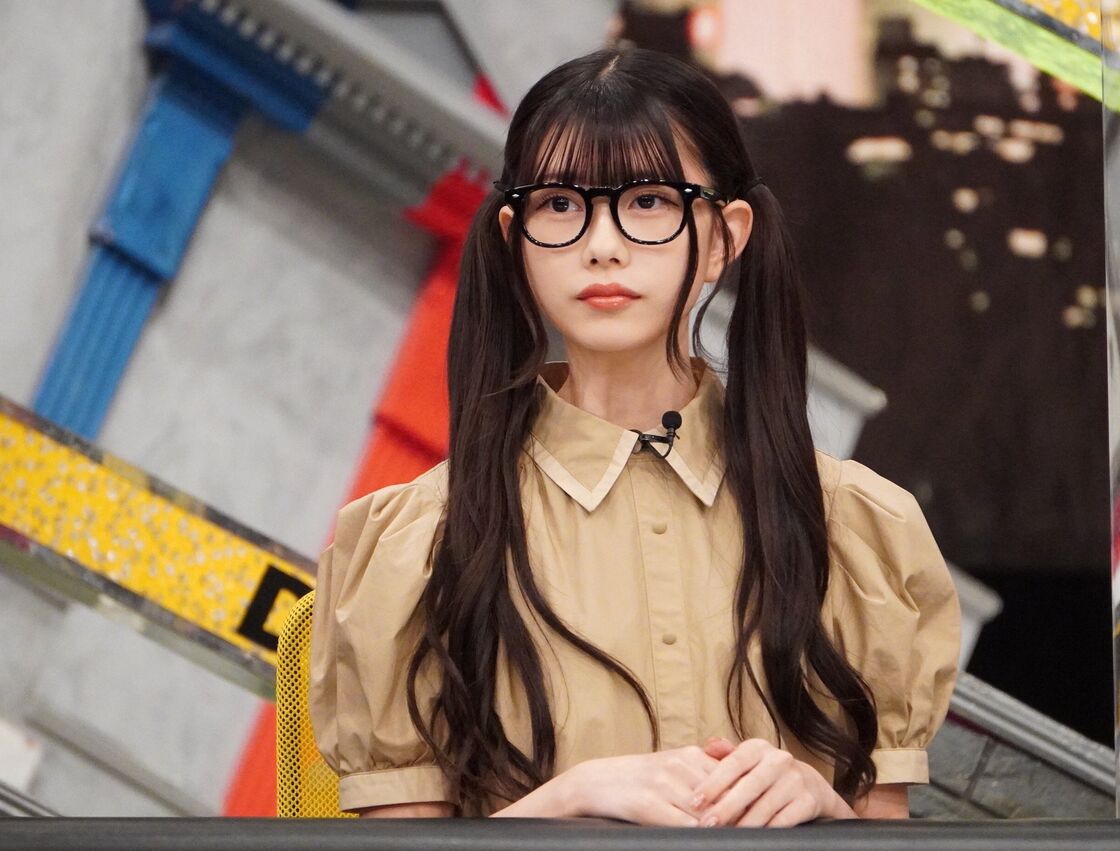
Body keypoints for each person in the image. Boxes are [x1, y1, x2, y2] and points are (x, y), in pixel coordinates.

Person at [309, 44, 960, 826]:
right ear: (515, 239)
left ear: (724, 236)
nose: (602, 243)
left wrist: (828, 814)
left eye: (649, 200)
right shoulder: (424, 540)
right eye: (560, 204)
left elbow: (884, 830)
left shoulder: (852, 527)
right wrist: (567, 801)